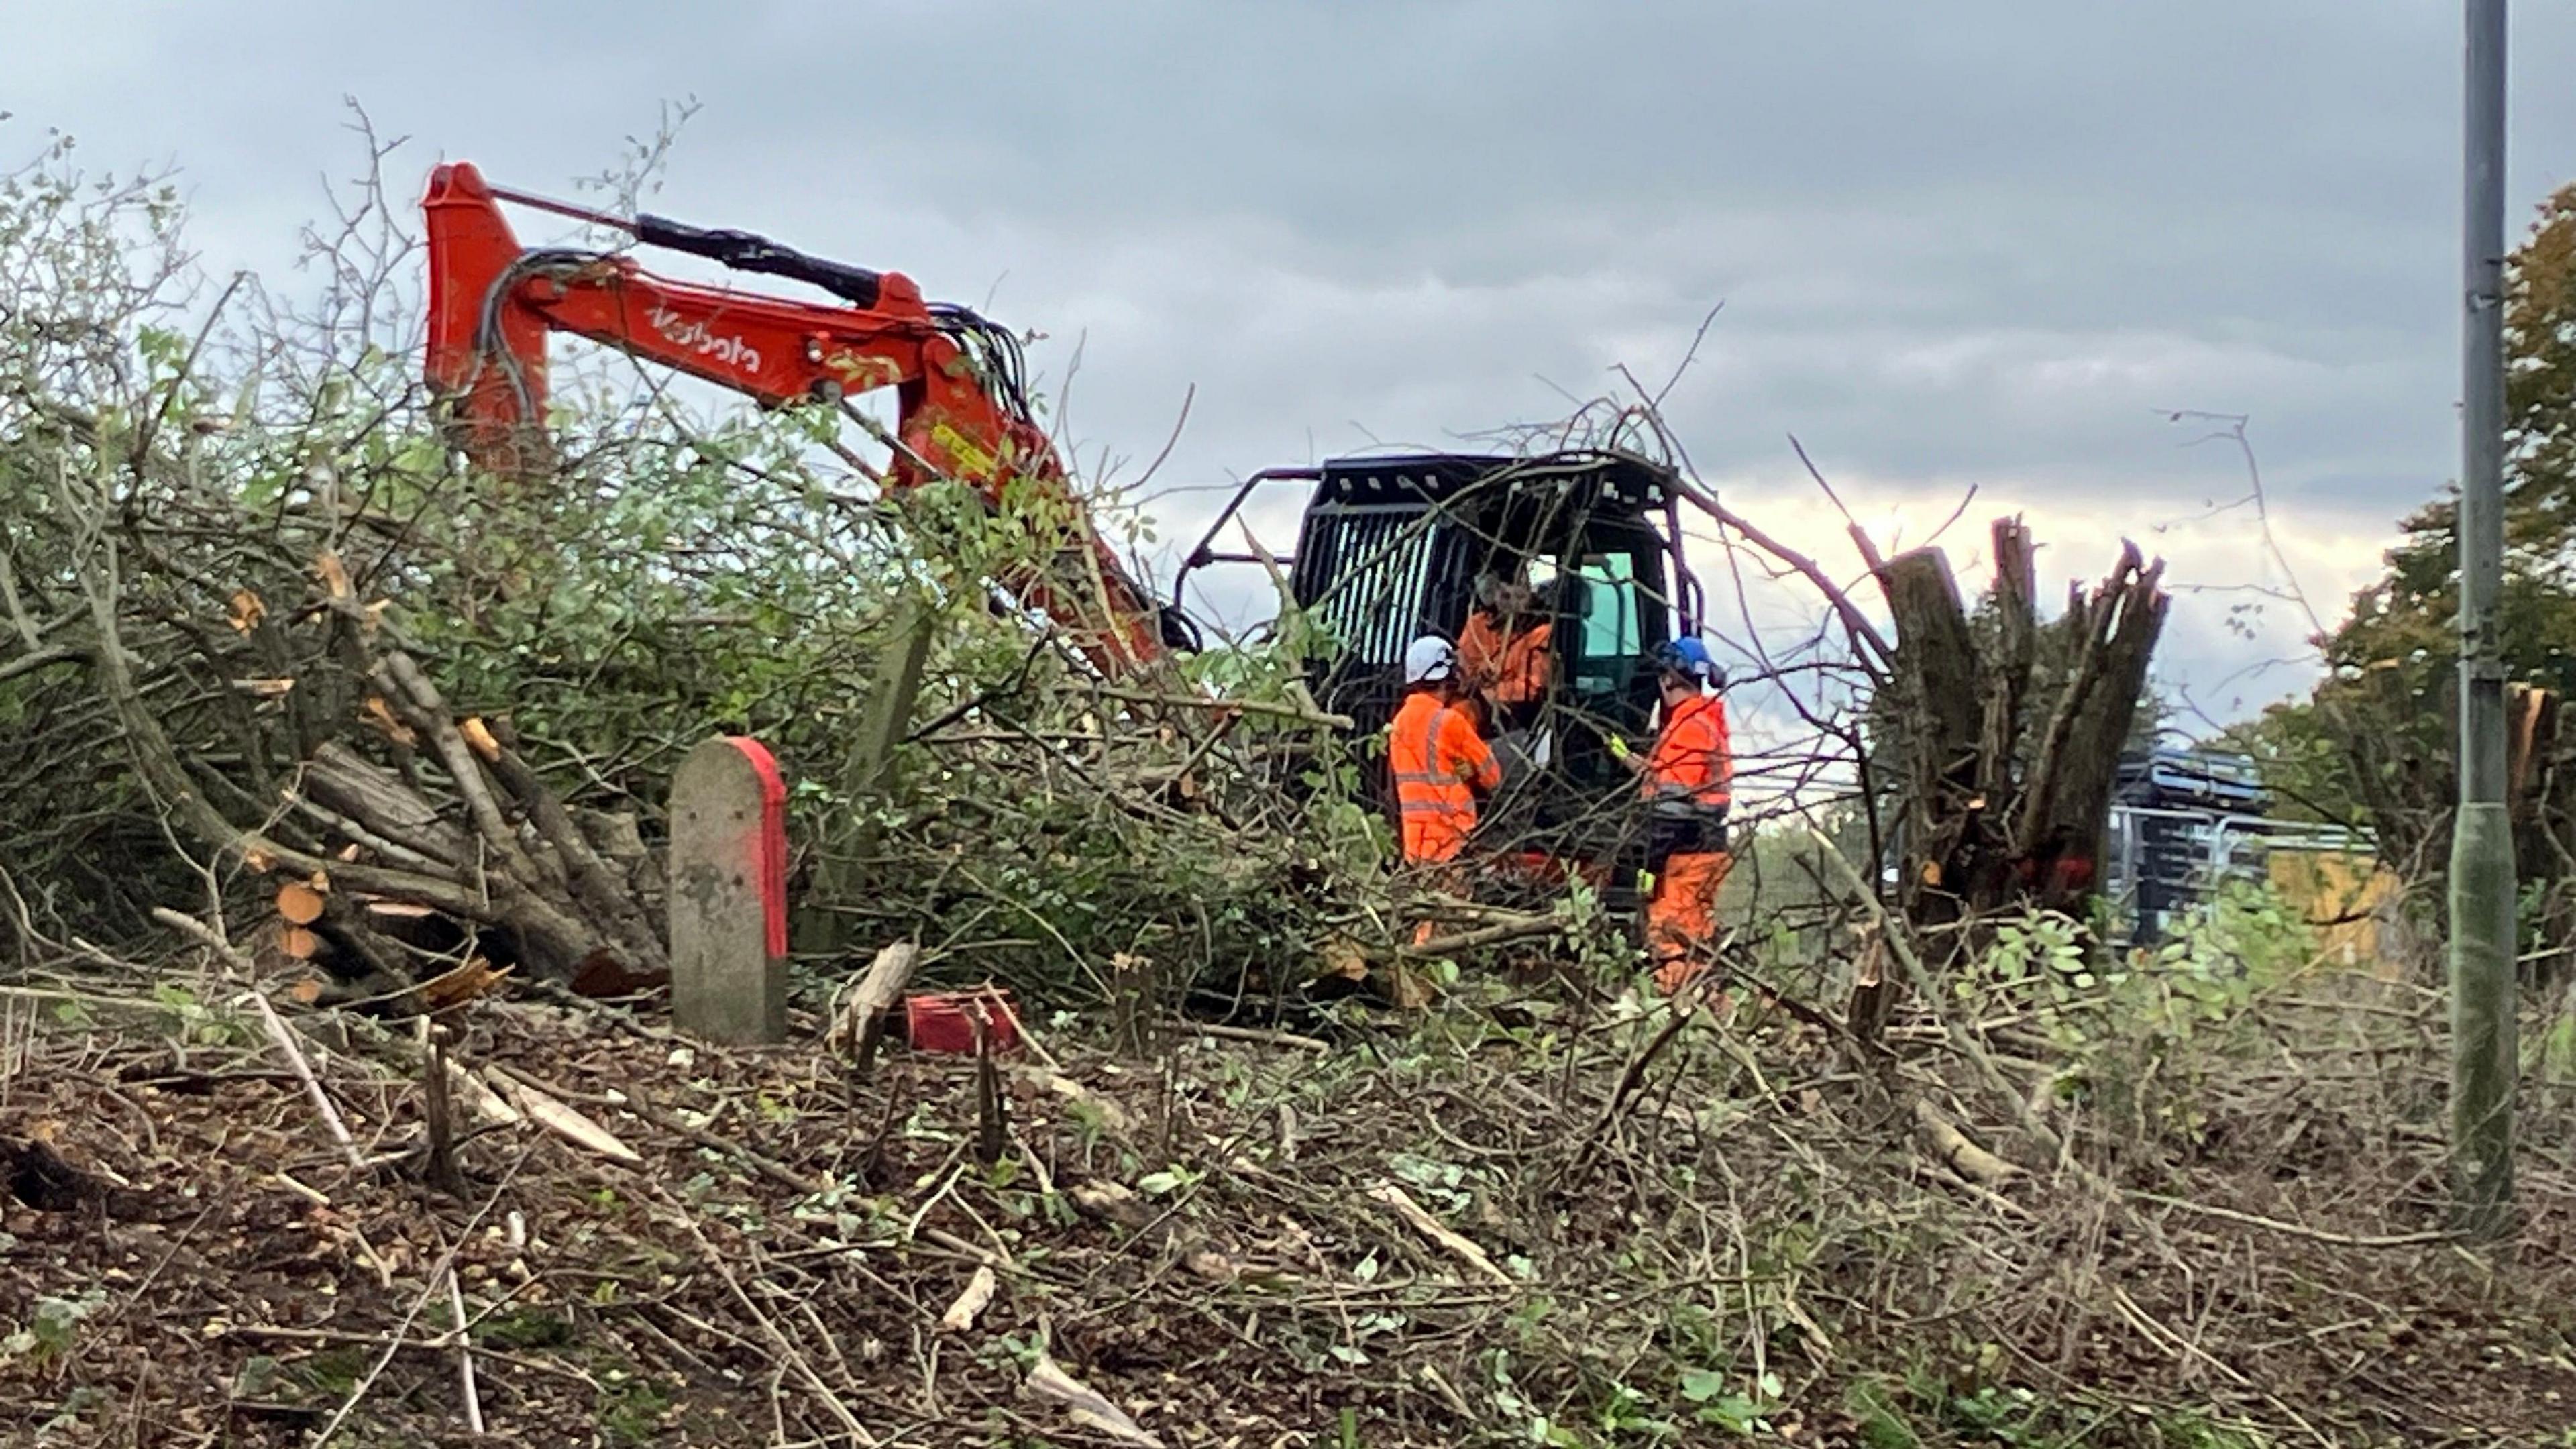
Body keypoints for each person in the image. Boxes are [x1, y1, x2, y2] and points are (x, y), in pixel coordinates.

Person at [1617, 637, 1733, 994]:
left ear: (1669, 677)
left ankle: (1679, 1012)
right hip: (1697, 849)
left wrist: (1649, 864)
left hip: (1685, 851)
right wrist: (1626, 757)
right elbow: (1668, 779)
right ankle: (1701, 1007)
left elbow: (1672, 805)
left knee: (1672, 935)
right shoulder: (1698, 720)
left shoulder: (1690, 726)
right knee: (1693, 934)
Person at [1388, 635, 1503, 865]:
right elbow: (1493, 777)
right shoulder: (1452, 722)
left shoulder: (1398, 724)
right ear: (1447, 676)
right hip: (1451, 843)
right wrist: (1472, 772)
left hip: (1416, 845)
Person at [1457, 570, 1554, 735]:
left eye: (1518, 596)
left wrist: (1491, 693)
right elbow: (1462, 670)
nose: (1511, 604)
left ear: (1529, 593)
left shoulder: (1541, 633)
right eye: (1504, 597)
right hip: (1476, 712)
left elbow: (1530, 689)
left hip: (1516, 722)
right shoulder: (1478, 625)